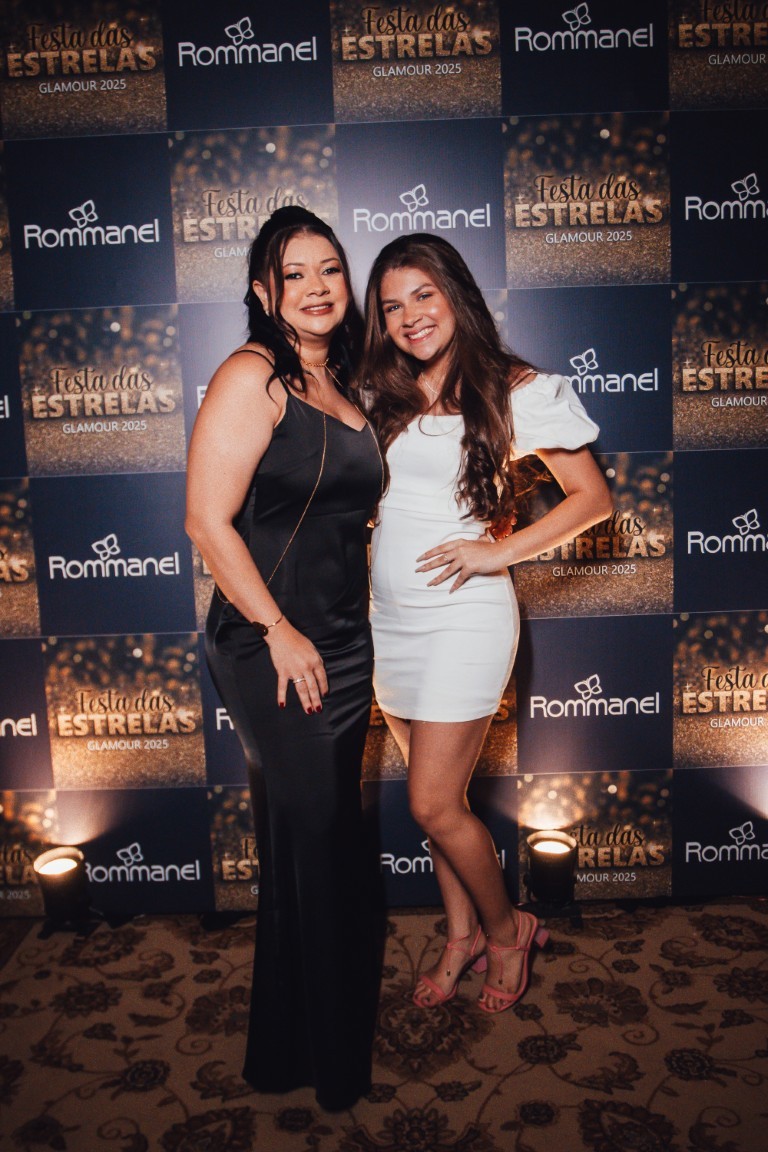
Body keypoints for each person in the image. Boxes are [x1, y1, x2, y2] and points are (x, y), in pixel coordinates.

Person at [355, 234, 612, 1014]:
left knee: (433, 804)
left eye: (423, 295)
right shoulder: (384, 391)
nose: (409, 316)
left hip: (463, 619)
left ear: (455, 294)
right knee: (440, 807)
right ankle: (460, 935)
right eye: (392, 306)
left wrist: (495, 551)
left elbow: (593, 500)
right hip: (390, 621)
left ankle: (507, 930)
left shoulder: (514, 388)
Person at [185, 207, 384, 1110]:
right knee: (321, 846)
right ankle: (330, 1065)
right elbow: (205, 521)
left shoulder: (343, 380)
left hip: (341, 640)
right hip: (273, 644)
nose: (316, 287)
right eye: (294, 273)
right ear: (264, 292)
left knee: (317, 846)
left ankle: (287, 1049)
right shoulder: (253, 375)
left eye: (330, 269)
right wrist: (277, 628)